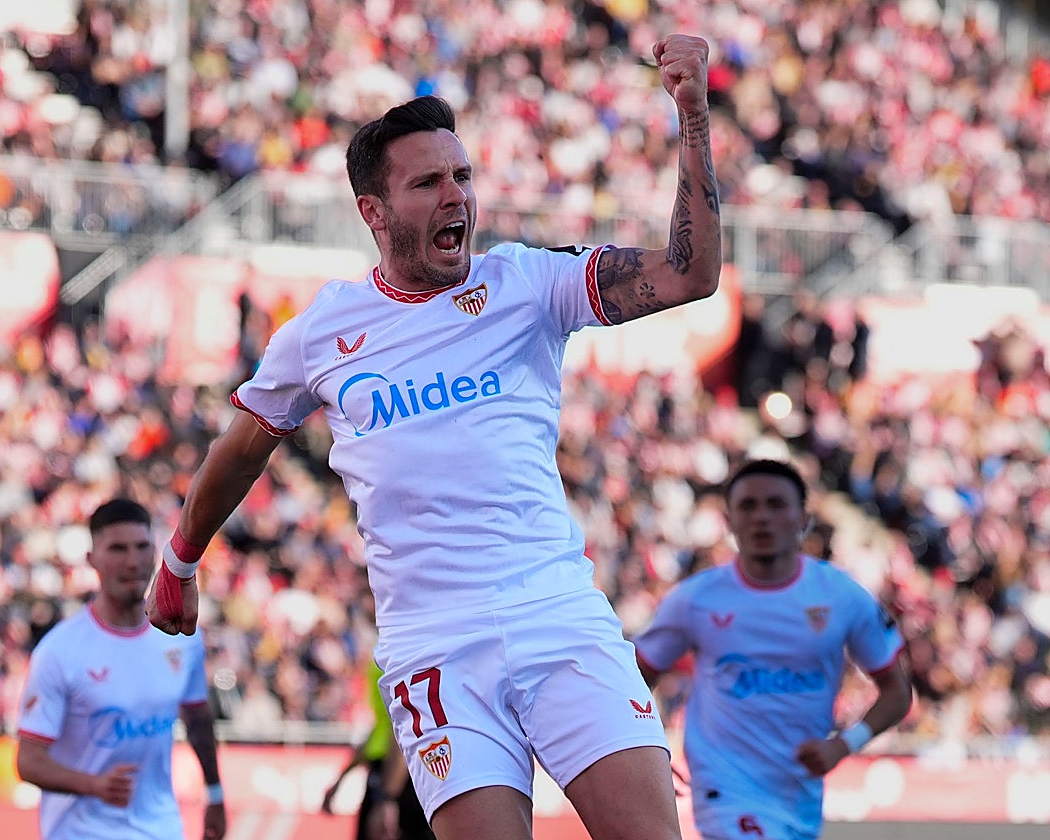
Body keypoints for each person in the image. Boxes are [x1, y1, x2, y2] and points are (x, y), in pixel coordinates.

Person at [148, 33, 720, 840]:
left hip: (556, 615)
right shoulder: (320, 333)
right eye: (429, 183)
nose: (457, 197)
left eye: (463, 176)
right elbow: (243, 447)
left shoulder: (528, 283)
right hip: (434, 646)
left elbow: (690, 275)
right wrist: (179, 558)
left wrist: (692, 118)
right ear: (373, 213)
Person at [632, 459, 913, 840]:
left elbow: (897, 692)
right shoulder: (696, 600)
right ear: (729, 521)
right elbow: (632, 680)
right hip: (725, 785)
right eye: (748, 506)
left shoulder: (841, 596)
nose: (762, 517)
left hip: (798, 793)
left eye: (776, 505)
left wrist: (845, 745)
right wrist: (644, 751)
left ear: (803, 518)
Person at [17, 498, 227, 840]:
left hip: (160, 829)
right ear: (92, 559)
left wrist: (215, 795)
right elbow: (28, 761)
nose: (132, 561)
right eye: (117, 549)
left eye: (142, 547)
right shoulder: (59, 651)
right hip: (81, 833)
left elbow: (198, 719)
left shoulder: (182, 637)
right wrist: (93, 785)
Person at [322, 660, 434, 840]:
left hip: (397, 777)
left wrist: (388, 799)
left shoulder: (395, 658)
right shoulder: (386, 656)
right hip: (392, 772)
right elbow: (381, 730)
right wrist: (340, 779)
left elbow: (403, 730)